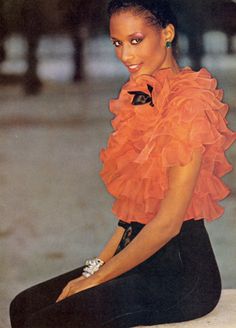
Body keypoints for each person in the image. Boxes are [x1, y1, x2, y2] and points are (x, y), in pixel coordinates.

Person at [9, 1, 236, 327]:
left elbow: (169, 223)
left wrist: (96, 281)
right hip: (133, 258)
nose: (125, 55)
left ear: (167, 33)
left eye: (136, 40)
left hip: (181, 277)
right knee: (25, 305)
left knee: (46, 320)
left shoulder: (190, 104)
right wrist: (95, 267)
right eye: (118, 43)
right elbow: (130, 218)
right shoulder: (137, 97)